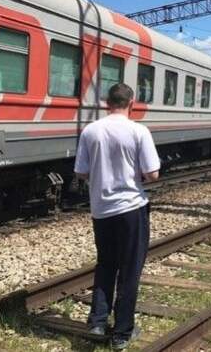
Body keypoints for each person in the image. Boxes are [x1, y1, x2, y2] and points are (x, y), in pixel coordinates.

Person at [74, 83, 160, 350]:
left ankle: (98, 321)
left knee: (105, 265)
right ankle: (122, 333)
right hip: (132, 209)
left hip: (101, 211)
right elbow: (152, 174)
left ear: (106, 103)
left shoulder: (90, 131)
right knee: (129, 271)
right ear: (131, 103)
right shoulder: (138, 131)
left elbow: (81, 172)